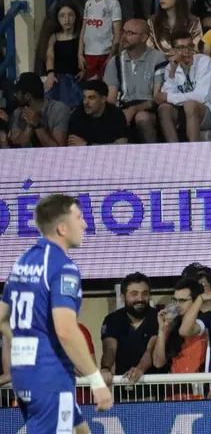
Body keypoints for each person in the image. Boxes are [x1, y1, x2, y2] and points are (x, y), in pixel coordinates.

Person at [0, 194, 113, 430]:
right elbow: (65, 330)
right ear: (62, 228)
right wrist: (96, 381)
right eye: (79, 217)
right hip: (50, 377)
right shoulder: (64, 267)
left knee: (82, 429)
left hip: (26, 374)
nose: (84, 224)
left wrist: (24, 345)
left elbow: (1, 316)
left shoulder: (24, 260)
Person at [156, 31, 211, 142]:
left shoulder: (204, 62)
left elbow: (201, 96)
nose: (187, 51)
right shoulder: (170, 66)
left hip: (210, 112)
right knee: (164, 108)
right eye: (182, 47)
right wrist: (172, 71)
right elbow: (167, 96)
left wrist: (168, 97)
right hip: (183, 111)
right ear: (173, 51)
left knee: (190, 105)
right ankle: (173, 148)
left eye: (190, 46)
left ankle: (193, 149)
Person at [102, 20, 163, 144]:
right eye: (123, 31)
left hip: (151, 108)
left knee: (142, 117)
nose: (123, 36)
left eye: (130, 33)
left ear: (144, 37)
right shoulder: (116, 61)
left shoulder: (158, 58)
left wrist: (135, 109)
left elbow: (158, 98)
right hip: (124, 107)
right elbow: (111, 99)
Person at [152, 279, 207, 374]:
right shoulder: (171, 326)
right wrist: (162, 330)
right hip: (176, 386)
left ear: (196, 301)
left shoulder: (208, 324)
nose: (177, 305)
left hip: (202, 386)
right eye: (175, 300)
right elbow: (158, 363)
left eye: (182, 301)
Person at [9, 72, 70, 149]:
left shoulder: (59, 109)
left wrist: (37, 125)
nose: (15, 95)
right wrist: (30, 126)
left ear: (27, 96)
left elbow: (58, 150)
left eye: (18, 93)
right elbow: (16, 149)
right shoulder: (17, 112)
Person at [68, 80, 128, 146]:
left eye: (91, 98)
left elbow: (121, 146)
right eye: (84, 97)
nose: (86, 102)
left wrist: (87, 145)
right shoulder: (77, 114)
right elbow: (73, 145)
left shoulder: (116, 114)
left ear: (103, 99)